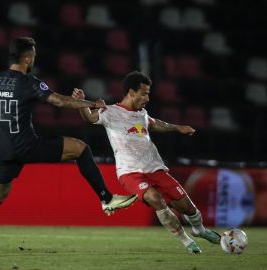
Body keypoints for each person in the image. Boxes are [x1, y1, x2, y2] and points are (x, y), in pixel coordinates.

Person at [0, 37, 137, 256]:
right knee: (81, 148)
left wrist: (3, 100)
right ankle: (106, 199)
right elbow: (59, 101)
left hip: (4, 151)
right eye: (34, 56)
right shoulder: (28, 82)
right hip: (27, 146)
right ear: (28, 58)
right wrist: (91, 104)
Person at [71, 71, 220, 253]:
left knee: (188, 209)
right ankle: (187, 242)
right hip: (130, 173)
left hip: (156, 169)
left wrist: (177, 128)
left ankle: (200, 230)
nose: (147, 98)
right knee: (155, 198)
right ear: (131, 93)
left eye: (148, 93)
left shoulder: (142, 114)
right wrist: (81, 102)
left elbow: (155, 123)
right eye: (144, 93)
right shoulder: (109, 112)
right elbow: (88, 117)